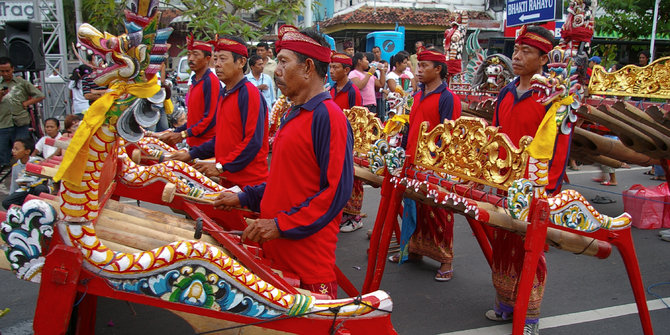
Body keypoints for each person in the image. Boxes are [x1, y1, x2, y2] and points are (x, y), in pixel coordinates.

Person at [213, 25, 353, 299]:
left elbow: (336, 191)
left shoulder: (328, 116)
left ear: (308, 67)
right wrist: (245, 197)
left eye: (284, 61)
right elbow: (285, 180)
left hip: (307, 264)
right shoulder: (293, 114)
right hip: (277, 252)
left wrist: (281, 225)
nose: (276, 69)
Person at [487, 25, 568, 335]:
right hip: (504, 182)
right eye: (516, 50)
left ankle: (530, 315)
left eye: (526, 52)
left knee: (530, 248)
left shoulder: (553, 98)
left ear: (544, 59)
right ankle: (506, 304)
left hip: (533, 187)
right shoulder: (507, 92)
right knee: (502, 244)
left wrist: (546, 190)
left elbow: (559, 148)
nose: (517, 57)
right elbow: (495, 136)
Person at [389, 49, 462, 283]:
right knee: (414, 209)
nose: (418, 71)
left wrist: (436, 162)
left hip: (435, 165)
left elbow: (449, 134)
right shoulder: (418, 95)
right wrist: (402, 148)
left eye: (424, 66)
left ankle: (446, 260)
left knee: (440, 213)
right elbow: (411, 125)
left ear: (438, 69)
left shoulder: (448, 97)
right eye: (418, 66)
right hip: (412, 160)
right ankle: (414, 250)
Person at [170, 36, 269, 189]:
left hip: (248, 184)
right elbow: (221, 139)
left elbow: (252, 142)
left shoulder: (249, 93)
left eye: (223, 59)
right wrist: (191, 154)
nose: (217, 64)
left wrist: (220, 167)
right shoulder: (225, 93)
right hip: (228, 178)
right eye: (215, 59)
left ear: (241, 62)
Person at [160, 36, 220, 148]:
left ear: (207, 58)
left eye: (196, 55)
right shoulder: (194, 81)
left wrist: (183, 134)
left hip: (206, 145)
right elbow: (194, 120)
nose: (190, 59)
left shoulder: (210, 81)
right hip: (194, 143)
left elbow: (210, 119)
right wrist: (176, 131)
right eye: (189, 55)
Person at [329, 52, 364, 232]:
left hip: (350, 141)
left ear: (347, 70)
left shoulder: (353, 91)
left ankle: (355, 217)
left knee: (353, 179)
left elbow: (357, 121)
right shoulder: (332, 90)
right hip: (335, 139)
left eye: (336, 67)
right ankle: (342, 213)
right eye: (331, 67)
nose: (332, 70)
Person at [0, 57, 46, 171]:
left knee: (22, 149)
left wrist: (27, 103)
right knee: (2, 151)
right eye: (2, 71)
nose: (5, 74)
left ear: (12, 69)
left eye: (7, 71)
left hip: (21, 121)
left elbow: (40, 95)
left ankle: (24, 170)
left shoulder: (21, 83)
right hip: (3, 122)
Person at [2, 137, 51, 210]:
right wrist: (12, 196)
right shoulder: (15, 167)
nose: (13, 151)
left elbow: (44, 181)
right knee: (6, 202)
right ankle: (23, 212)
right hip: (25, 190)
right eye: (13, 149)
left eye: (17, 149)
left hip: (38, 188)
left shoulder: (37, 163)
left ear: (27, 151)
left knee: (39, 188)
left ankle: (41, 209)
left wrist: (28, 184)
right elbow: (14, 186)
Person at [349, 52, 386, 117]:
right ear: (359, 61)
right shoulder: (353, 73)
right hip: (362, 105)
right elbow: (359, 86)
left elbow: (381, 84)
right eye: (366, 60)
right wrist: (369, 74)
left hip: (372, 105)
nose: (368, 62)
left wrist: (382, 71)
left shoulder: (368, 74)